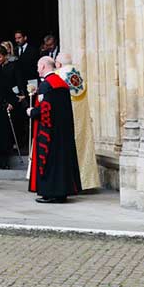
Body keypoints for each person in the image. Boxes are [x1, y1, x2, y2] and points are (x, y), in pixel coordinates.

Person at [26, 56, 82, 203]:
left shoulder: (46, 85)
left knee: (50, 163)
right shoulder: (62, 84)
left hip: (49, 133)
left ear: (44, 66)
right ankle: (62, 192)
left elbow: (45, 111)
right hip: (63, 133)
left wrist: (31, 112)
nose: (37, 69)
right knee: (61, 162)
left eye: (39, 67)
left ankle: (51, 192)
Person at [55, 54, 99, 191]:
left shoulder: (58, 75)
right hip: (82, 120)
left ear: (58, 64)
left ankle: (68, 184)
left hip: (64, 120)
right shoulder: (78, 75)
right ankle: (85, 182)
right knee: (82, 148)